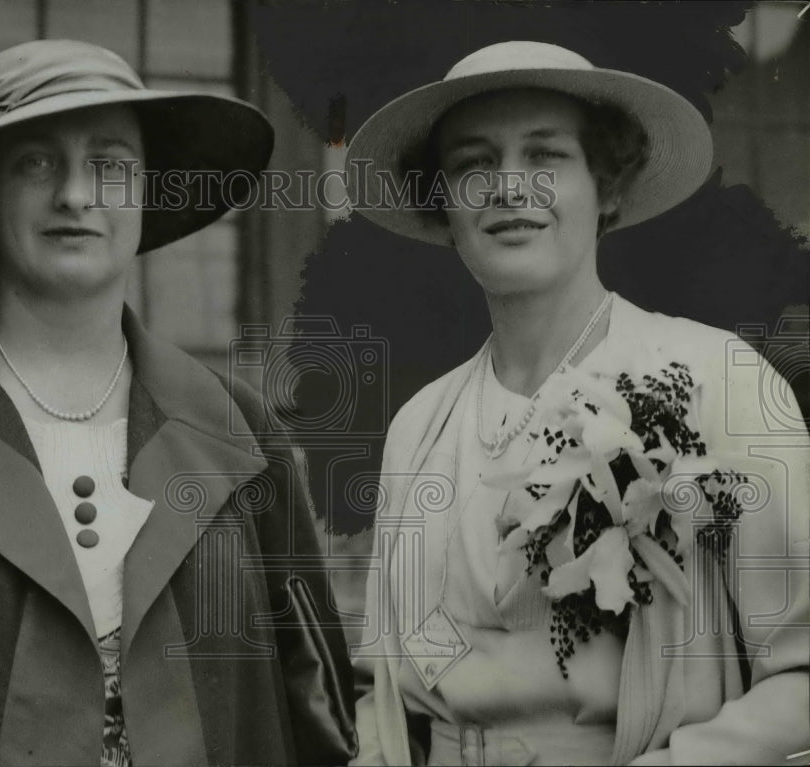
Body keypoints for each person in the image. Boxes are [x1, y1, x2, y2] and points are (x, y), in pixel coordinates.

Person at [0, 39, 355, 766]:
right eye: (36, 162)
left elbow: (313, 709)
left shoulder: (238, 425)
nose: (75, 193)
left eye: (110, 163)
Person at [345, 41, 809, 765]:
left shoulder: (716, 377)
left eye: (545, 156)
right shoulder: (420, 426)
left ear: (607, 188)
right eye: (472, 164)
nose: (509, 187)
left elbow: (803, 680)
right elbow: (382, 702)